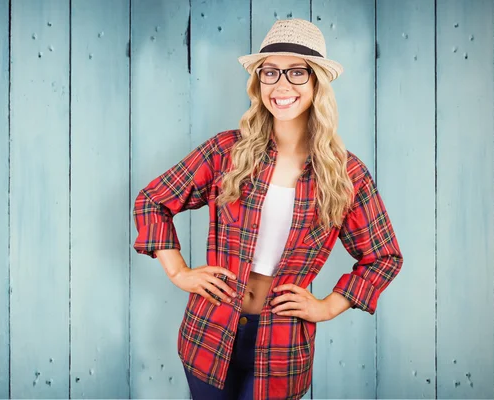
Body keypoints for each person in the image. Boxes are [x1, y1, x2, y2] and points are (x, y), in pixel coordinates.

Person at [132, 18, 403, 400]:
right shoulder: (227, 151)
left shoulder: (346, 173)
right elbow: (153, 200)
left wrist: (327, 307)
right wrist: (178, 272)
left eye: (296, 72)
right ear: (258, 83)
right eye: (270, 72)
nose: (281, 85)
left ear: (316, 84)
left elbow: (383, 256)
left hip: (283, 348)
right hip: (208, 334)